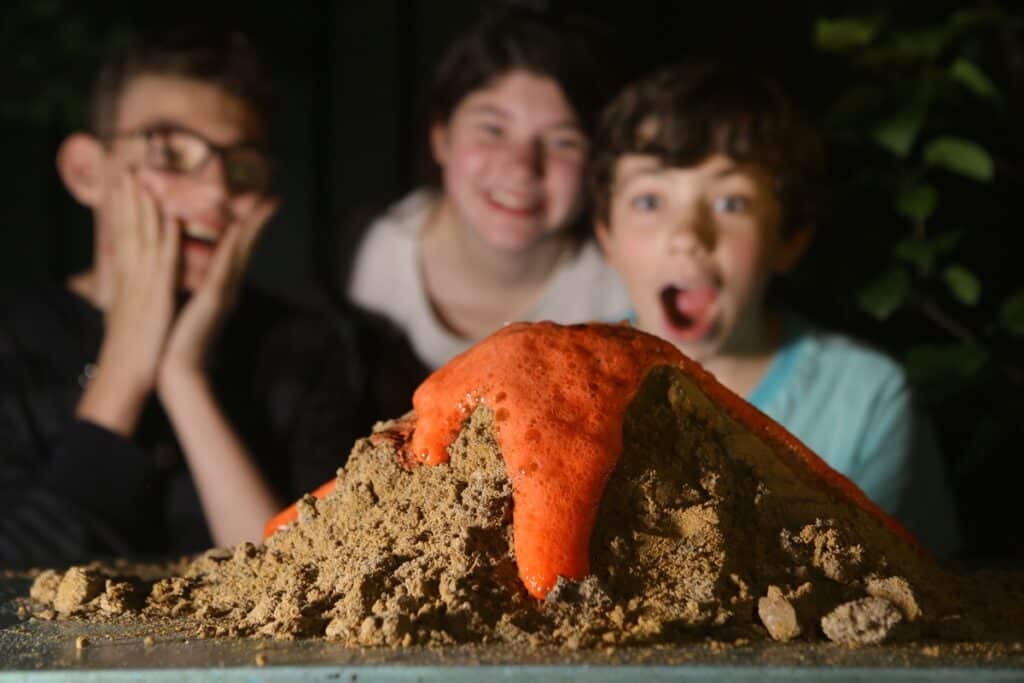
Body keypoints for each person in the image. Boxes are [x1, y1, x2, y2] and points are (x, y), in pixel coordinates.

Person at [0, 26, 425, 565]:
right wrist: (125, 367)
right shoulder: (14, 341)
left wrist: (184, 377)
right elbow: (13, 586)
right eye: (171, 154)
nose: (218, 192)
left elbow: (302, 583)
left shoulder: (309, 350)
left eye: (242, 167)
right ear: (87, 171)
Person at [589, 63, 960, 557]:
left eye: (731, 203)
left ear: (789, 238)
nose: (687, 236)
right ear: (606, 236)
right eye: (650, 200)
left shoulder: (866, 398)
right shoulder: (561, 385)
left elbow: (925, 590)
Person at [342, 8, 631, 369]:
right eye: (493, 129)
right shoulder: (370, 260)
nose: (522, 167)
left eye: (563, 141)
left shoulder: (623, 293)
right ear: (441, 137)